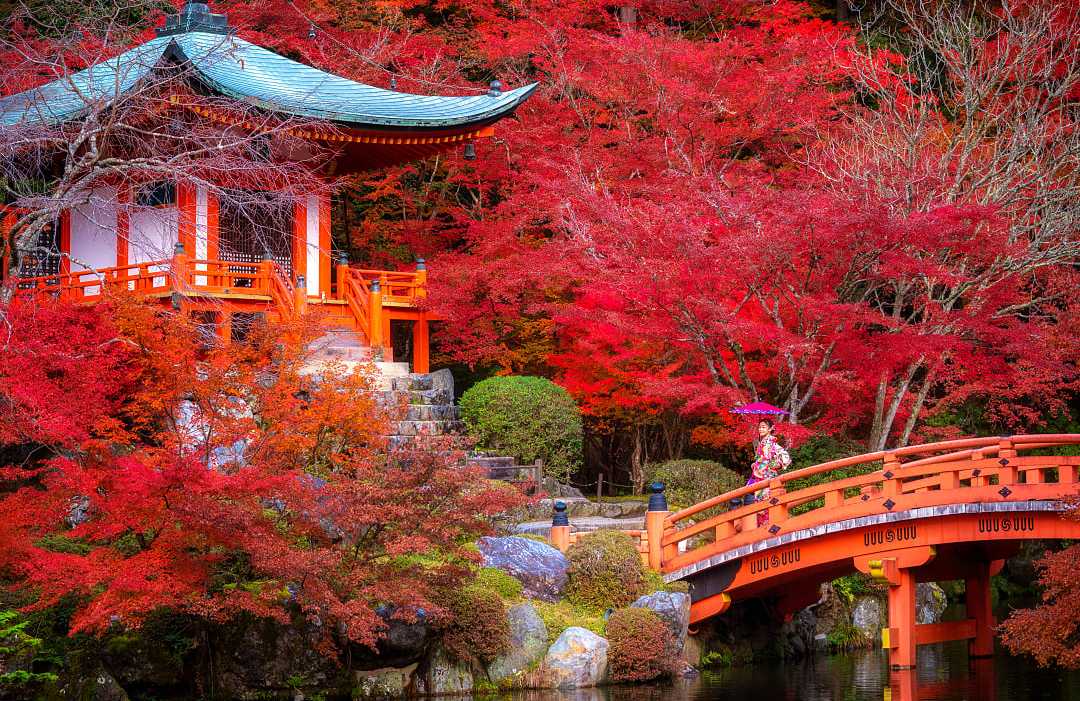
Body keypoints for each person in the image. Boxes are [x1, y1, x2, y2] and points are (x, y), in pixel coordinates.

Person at [746, 418, 791, 526]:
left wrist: (773, 465)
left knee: (767, 504)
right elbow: (762, 459)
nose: (760, 429)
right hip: (760, 478)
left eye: (764, 427)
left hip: (767, 477)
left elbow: (786, 458)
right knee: (762, 506)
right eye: (760, 427)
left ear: (771, 429)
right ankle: (765, 529)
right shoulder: (762, 443)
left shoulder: (771, 443)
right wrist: (756, 464)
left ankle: (768, 528)